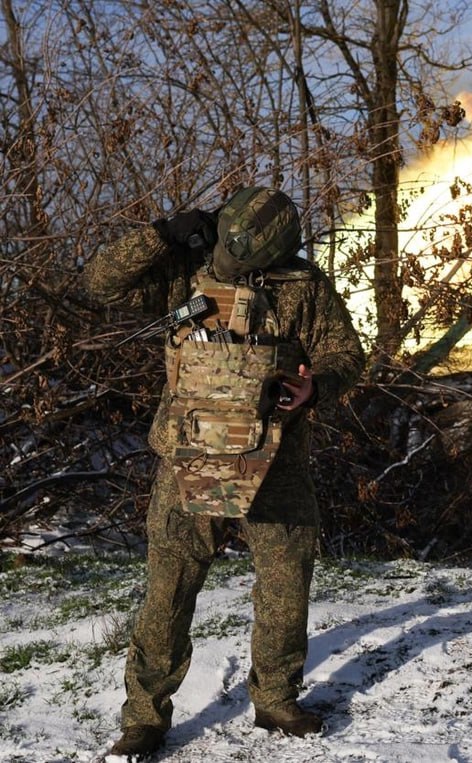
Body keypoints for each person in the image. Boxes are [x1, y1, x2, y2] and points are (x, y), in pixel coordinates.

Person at [84, 186, 366, 760]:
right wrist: (160, 234)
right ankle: (144, 718)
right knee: (169, 588)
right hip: (191, 454)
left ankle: (277, 700)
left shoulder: (304, 287)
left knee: (286, 584)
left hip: (276, 459)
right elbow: (100, 283)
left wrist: (316, 388)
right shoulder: (182, 273)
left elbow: (345, 356)